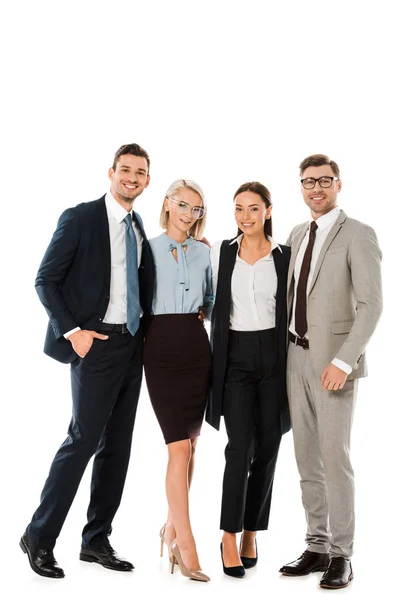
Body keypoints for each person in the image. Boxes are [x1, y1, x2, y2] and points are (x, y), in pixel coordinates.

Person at [20, 143, 154, 578]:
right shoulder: (79, 218)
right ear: (111, 172)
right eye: (126, 170)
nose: (132, 178)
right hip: (94, 345)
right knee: (81, 442)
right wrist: (74, 332)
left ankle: (96, 540)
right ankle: (38, 537)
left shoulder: (138, 227)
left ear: (147, 180)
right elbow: (45, 280)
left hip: (132, 347)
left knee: (117, 447)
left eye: (140, 172)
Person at [279, 154, 383, 589]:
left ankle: (343, 554)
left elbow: (371, 305)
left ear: (338, 183)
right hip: (294, 357)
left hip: (333, 363)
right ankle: (317, 544)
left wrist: (344, 361)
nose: (315, 189)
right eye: (307, 182)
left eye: (323, 181)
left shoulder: (358, 234)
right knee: (306, 458)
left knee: (334, 459)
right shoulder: (298, 233)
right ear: (301, 187)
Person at [207, 182, 291, 578]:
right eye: (239, 209)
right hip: (236, 360)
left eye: (253, 209)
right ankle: (228, 533)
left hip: (275, 360)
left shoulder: (284, 256)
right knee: (239, 448)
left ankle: (252, 531)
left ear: (268, 211)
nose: (245, 217)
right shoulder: (221, 253)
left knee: (269, 448)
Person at [143, 179, 213, 582]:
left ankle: (169, 530)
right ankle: (186, 545)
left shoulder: (205, 251)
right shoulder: (147, 248)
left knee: (191, 446)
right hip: (161, 348)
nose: (189, 214)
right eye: (183, 204)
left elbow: (213, 299)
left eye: (197, 209)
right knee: (178, 450)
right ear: (167, 204)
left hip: (195, 346)